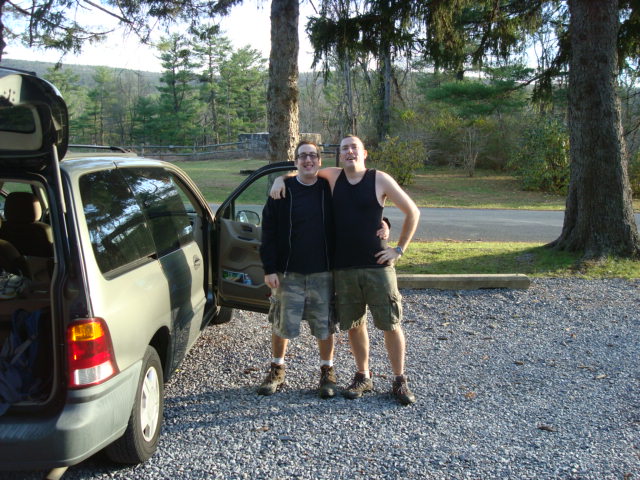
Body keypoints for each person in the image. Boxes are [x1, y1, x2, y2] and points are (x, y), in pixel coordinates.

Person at [271, 135, 420, 405]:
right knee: (354, 325)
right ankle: (363, 375)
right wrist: (278, 179)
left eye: (354, 147)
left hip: (378, 266)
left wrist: (398, 249)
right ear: (339, 156)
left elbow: (413, 212)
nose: (349, 152)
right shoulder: (333, 176)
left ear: (364, 152)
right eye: (344, 149)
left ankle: (399, 380)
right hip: (343, 268)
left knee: (390, 323)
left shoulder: (379, 178)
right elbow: (302, 169)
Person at [258, 141, 338, 398]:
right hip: (287, 272)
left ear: (319, 161)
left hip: (323, 272)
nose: (308, 160)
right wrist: (270, 268)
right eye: (302, 156)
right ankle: (277, 369)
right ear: (295, 162)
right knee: (282, 323)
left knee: (324, 325)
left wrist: (383, 221)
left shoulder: (329, 189)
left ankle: (327, 372)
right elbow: (268, 232)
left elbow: (358, 209)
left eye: (313, 156)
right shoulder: (281, 192)